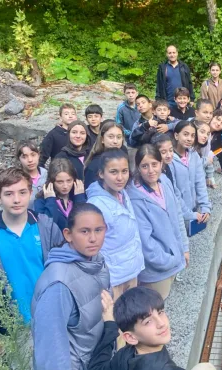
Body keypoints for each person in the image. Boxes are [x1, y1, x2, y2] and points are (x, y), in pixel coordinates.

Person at [0, 168, 64, 343]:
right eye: (9, 194)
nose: (17, 199)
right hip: (11, 325)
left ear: (30, 193)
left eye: (22, 192)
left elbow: (65, 271)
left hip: (50, 316)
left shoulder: (46, 227)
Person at [32, 203, 110, 370]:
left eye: (99, 230)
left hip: (96, 360)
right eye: (84, 231)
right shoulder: (58, 284)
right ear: (68, 234)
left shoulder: (96, 259)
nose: (93, 238)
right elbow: (50, 350)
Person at [87, 287, 219, 370]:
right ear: (130, 337)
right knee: (207, 368)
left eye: (160, 312)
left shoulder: (125, 355)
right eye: (148, 321)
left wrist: (110, 322)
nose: (161, 324)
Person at [128, 144, 189, 299]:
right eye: (145, 166)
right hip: (156, 271)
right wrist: (171, 259)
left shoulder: (164, 181)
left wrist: (184, 247)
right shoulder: (136, 198)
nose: (151, 171)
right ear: (138, 168)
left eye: (154, 164)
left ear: (161, 164)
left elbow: (178, 216)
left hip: (174, 259)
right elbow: (145, 242)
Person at [86, 149, 144, 309]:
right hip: (115, 278)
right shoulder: (96, 206)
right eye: (113, 172)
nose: (120, 178)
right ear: (101, 174)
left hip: (130, 269)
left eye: (124, 171)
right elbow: (93, 247)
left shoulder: (122, 193)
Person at [171, 120, 212, 228]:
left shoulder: (194, 155)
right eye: (185, 134)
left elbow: (200, 183)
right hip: (178, 214)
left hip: (194, 210)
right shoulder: (169, 160)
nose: (189, 139)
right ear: (176, 135)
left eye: (193, 136)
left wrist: (205, 207)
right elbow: (174, 192)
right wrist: (189, 214)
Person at [34, 158, 87, 231]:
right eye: (60, 182)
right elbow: (47, 227)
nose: (65, 186)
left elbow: (85, 222)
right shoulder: (41, 201)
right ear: (51, 182)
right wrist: (50, 200)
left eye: (69, 181)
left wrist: (79, 199)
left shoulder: (78, 196)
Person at [84, 120, 127, 189]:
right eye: (111, 137)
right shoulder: (95, 165)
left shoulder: (124, 157)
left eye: (119, 137)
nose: (115, 141)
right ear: (102, 139)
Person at [16, 140, 47, 208]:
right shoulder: (16, 180)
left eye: (33, 155)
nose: (30, 160)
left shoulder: (46, 174)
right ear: (19, 159)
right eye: (24, 157)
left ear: (38, 155)